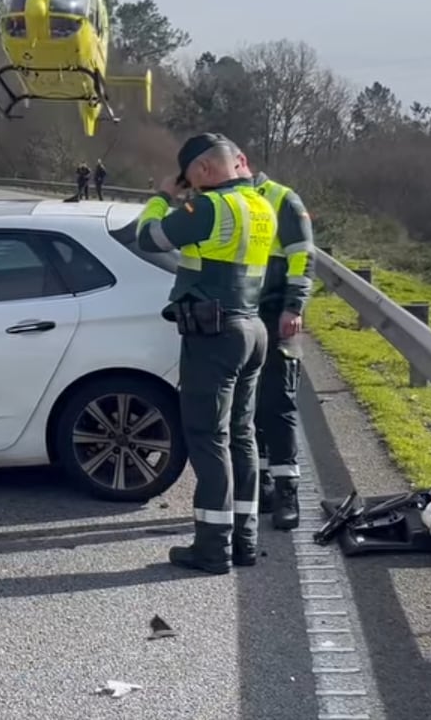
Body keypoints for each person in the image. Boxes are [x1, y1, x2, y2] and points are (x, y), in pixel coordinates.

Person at [136, 133, 277, 574]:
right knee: (241, 435)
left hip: (214, 333)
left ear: (201, 171)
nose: (191, 188)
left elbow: (149, 237)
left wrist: (163, 196)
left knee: (208, 436)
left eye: (192, 180)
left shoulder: (211, 207)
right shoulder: (260, 205)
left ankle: (213, 548)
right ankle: (244, 540)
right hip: (253, 329)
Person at [234, 152, 315, 530]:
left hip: (279, 315)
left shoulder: (283, 198)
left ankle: (287, 490)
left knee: (278, 402)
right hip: (244, 315)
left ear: (241, 161)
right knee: (249, 403)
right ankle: (263, 482)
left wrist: (293, 307)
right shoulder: (230, 200)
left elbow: (302, 257)